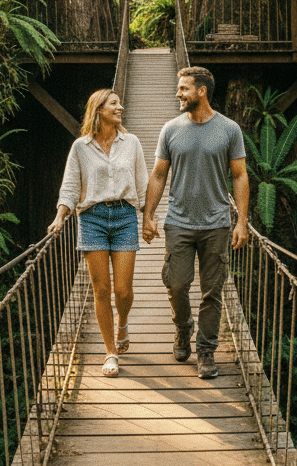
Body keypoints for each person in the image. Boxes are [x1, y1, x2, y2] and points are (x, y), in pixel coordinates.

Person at [141, 66, 249, 380]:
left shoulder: (230, 130)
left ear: (201, 91)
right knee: (175, 284)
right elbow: (159, 175)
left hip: (216, 223)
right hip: (179, 222)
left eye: (184, 89)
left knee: (212, 291)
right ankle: (182, 327)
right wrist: (148, 216)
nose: (178, 94)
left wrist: (242, 222)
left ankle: (205, 351)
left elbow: (240, 176)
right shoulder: (170, 129)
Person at [48, 89, 148, 377]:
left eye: (119, 103)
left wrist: (148, 218)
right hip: (91, 218)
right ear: (99, 109)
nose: (120, 107)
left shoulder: (131, 143)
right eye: (114, 104)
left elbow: (142, 182)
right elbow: (69, 186)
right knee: (102, 289)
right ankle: (110, 352)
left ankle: (123, 322)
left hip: (125, 216)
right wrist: (60, 216)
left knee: (123, 290)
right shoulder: (81, 147)